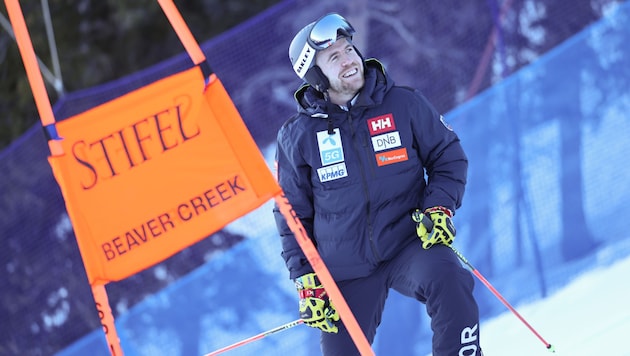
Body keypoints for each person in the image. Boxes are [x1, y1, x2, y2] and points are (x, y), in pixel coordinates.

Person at [273, 13, 481, 356]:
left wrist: (439, 207)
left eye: (349, 49)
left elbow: (448, 157)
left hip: (409, 242)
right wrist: (305, 277)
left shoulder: (404, 104)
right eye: (334, 57)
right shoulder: (297, 136)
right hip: (345, 266)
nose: (349, 61)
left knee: (450, 279)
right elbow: (291, 213)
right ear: (315, 75)